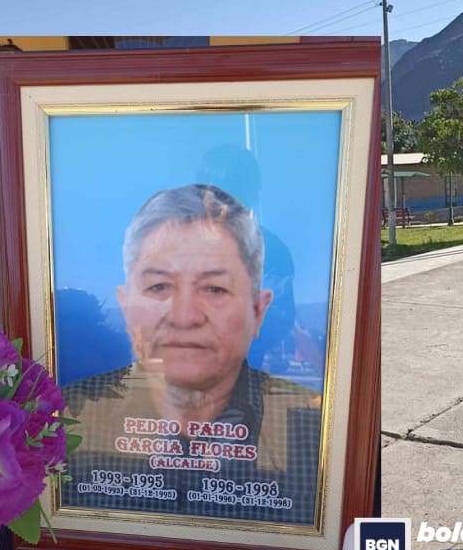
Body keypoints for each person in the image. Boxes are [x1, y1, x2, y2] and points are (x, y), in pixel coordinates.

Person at [61, 184, 319, 522]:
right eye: (159, 287)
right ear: (126, 306)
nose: (185, 316)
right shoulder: (66, 420)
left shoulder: (316, 432)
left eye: (214, 288)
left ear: (258, 310)